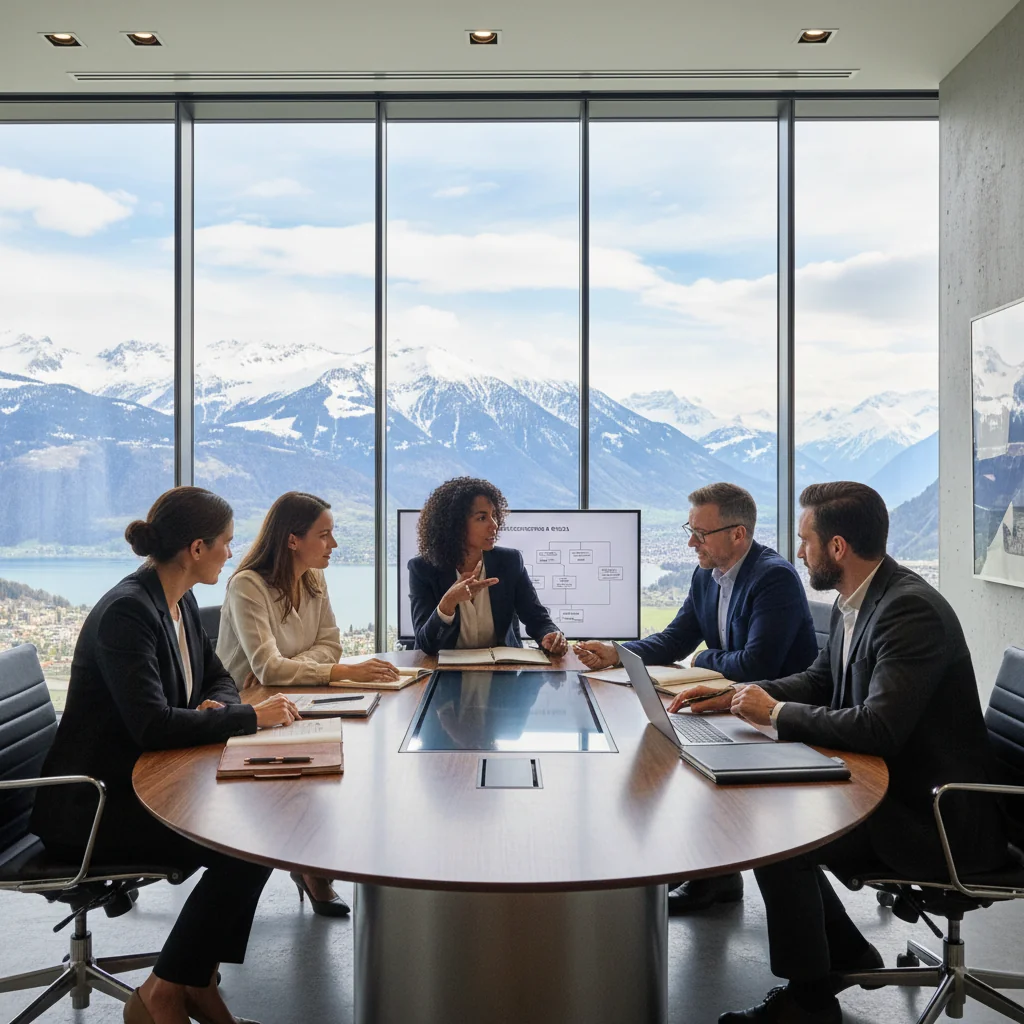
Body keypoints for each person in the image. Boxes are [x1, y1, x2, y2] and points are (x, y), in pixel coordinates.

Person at [679, 482, 1008, 1024]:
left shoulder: (909, 612)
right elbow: (818, 678)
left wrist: (775, 715)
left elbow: (879, 728)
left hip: (940, 818)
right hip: (896, 788)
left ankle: (810, 1000)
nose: (799, 551)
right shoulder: (860, 600)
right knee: (776, 813)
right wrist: (733, 698)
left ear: (837, 548)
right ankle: (844, 954)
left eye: (806, 539)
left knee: (779, 831)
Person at [31, 487, 301, 1024]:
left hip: (140, 781)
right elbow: (151, 725)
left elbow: (219, 676)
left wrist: (218, 705)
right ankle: (165, 992)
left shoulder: (178, 601)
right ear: (196, 548)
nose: (232, 551)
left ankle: (189, 983)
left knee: (259, 832)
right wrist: (249, 716)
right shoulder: (128, 614)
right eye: (226, 542)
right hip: (96, 805)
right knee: (247, 841)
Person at [574, 482, 818, 912]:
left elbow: (758, 663)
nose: (691, 542)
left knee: (676, 757)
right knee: (658, 742)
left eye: (700, 533)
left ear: (737, 534)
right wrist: (618, 651)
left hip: (772, 720)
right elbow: (674, 639)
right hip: (728, 708)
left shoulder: (773, 577)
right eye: (691, 530)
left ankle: (714, 878)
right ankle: (715, 878)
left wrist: (705, 656)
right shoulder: (706, 575)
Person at [217, 491, 399, 917]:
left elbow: (329, 646)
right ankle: (312, 868)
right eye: (325, 534)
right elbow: (267, 671)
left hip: (297, 701)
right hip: (248, 714)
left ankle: (312, 864)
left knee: (341, 768)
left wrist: (292, 666)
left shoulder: (314, 580)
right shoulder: (248, 586)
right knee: (320, 772)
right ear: (292, 540)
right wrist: (332, 672)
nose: (333, 544)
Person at [408, 476, 568, 657]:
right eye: (482, 518)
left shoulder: (510, 562)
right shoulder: (423, 569)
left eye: (494, 515)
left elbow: (537, 618)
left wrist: (550, 635)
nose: (494, 525)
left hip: (503, 672)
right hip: (443, 674)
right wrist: (448, 603)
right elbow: (425, 645)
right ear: (455, 524)